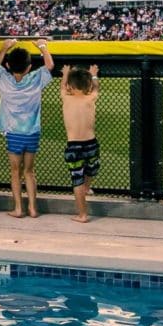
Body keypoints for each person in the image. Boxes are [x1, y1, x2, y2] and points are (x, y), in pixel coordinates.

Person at [0, 39, 54, 218]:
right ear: (29, 67)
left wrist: (4, 48)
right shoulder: (35, 80)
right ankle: (33, 208)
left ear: (9, 65)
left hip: (13, 134)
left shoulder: (3, 80)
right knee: (29, 171)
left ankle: (19, 208)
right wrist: (42, 46)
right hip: (32, 133)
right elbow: (49, 65)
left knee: (15, 172)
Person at [59, 64, 102, 223]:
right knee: (92, 169)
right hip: (91, 144)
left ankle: (82, 214)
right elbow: (96, 88)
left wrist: (65, 73)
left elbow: (63, 86)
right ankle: (86, 187)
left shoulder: (66, 97)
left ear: (70, 86)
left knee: (76, 179)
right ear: (89, 85)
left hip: (74, 146)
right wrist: (94, 75)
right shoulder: (90, 98)